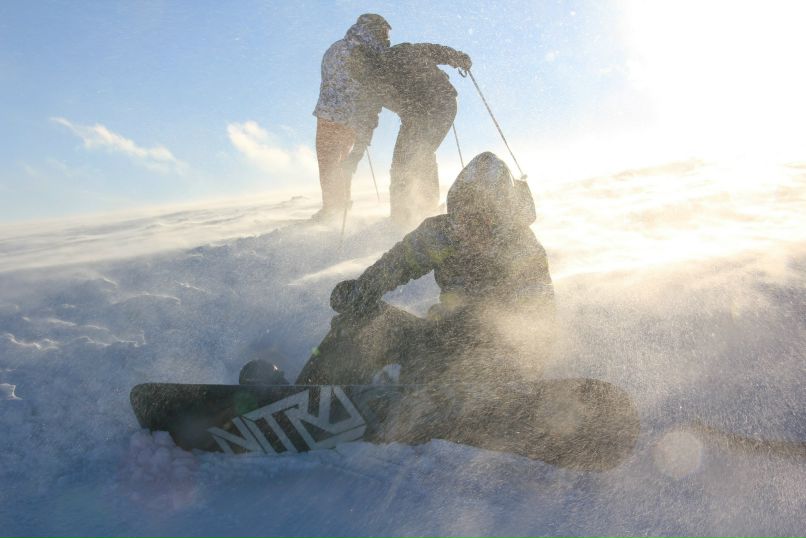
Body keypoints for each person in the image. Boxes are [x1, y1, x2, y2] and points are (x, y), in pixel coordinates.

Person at [296, 152, 555, 386]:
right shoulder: (442, 234)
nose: (467, 227)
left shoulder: (523, 251)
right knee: (363, 317)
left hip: (491, 363)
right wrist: (362, 291)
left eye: (480, 217)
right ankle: (308, 395)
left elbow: (537, 324)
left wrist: (509, 368)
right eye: (461, 215)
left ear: (501, 216)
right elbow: (397, 263)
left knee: (458, 366)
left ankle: (416, 402)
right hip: (440, 339)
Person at [377, 42, 472, 229]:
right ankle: (410, 212)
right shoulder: (380, 68)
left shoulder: (399, 53)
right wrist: (459, 58)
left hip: (437, 105)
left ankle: (411, 215)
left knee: (413, 156)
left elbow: (435, 51)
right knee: (414, 156)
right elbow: (436, 51)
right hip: (427, 110)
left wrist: (458, 58)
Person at [311, 14, 391, 221]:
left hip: (327, 115)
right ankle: (341, 206)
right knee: (343, 162)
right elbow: (375, 87)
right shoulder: (375, 53)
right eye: (385, 31)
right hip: (353, 117)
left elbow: (326, 79)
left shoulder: (335, 48)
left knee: (328, 164)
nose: (387, 36)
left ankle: (333, 209)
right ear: (375, 29)